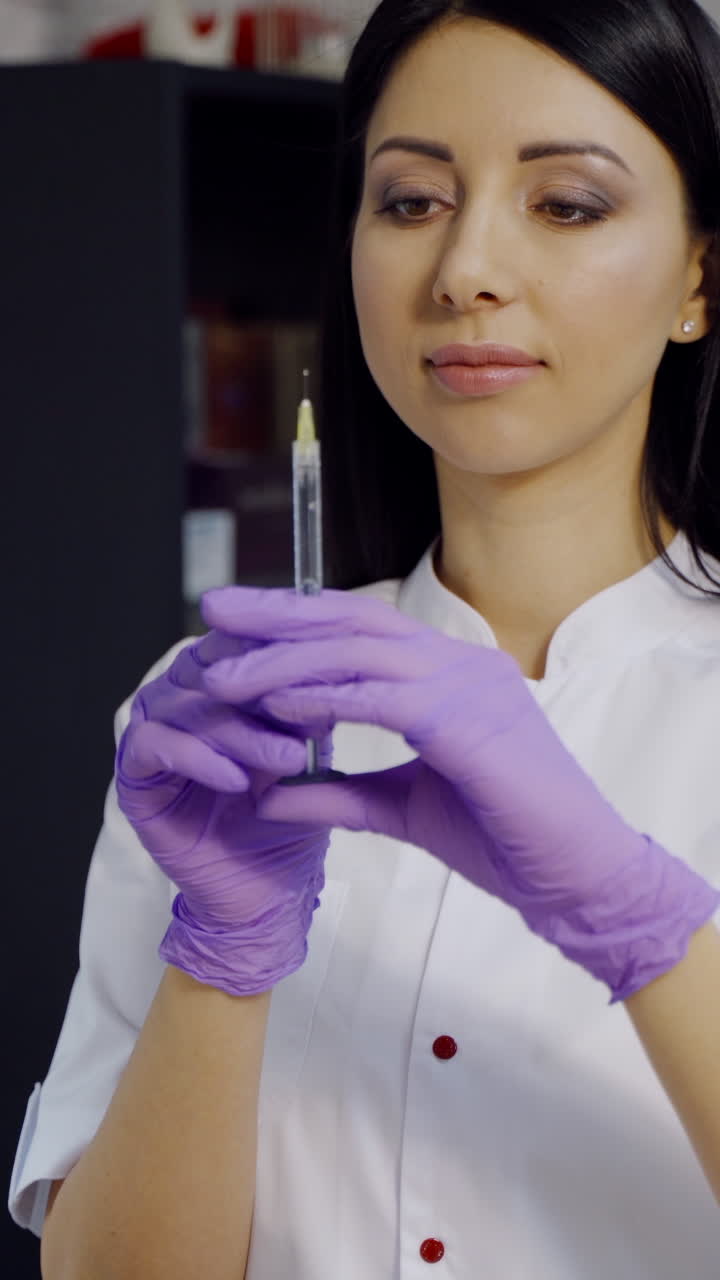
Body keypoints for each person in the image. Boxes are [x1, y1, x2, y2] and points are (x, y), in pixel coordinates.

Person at [10, 0, 720, 1275]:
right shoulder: (218, 717)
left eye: (565, 203)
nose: (464, 271)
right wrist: (220, 956)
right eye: (410, 202)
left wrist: (637, 916)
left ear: (699, 281)